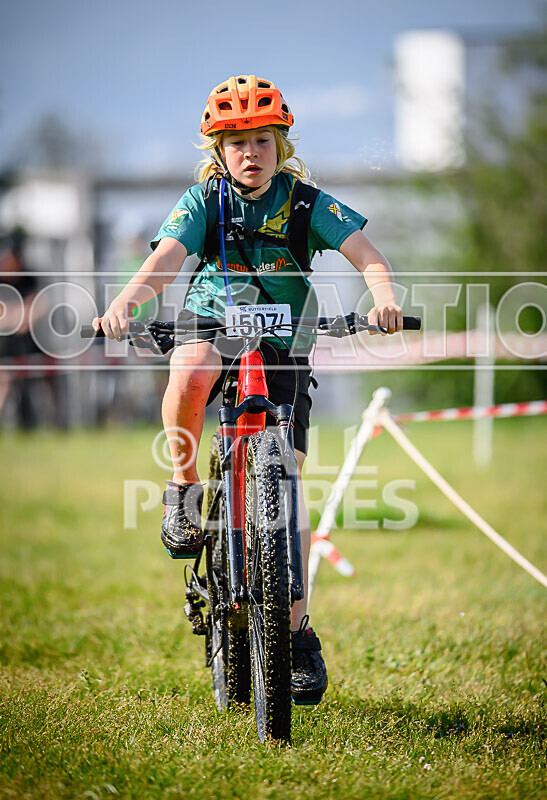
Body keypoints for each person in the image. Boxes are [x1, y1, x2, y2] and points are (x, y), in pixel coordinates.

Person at [93, 75, 403, 704]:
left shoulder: (306, 203)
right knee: (189, 372)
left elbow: (369, 257)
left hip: (286, 338)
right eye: (237, 143)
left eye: (263, 140)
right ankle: (183, 487)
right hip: (213, 319)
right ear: (219, 150)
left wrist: (384, 298)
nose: (251, 152)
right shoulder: (203, 200)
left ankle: (296, 633)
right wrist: (126, 301)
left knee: (287, 481)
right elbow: (165, 261)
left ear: (281, 145)